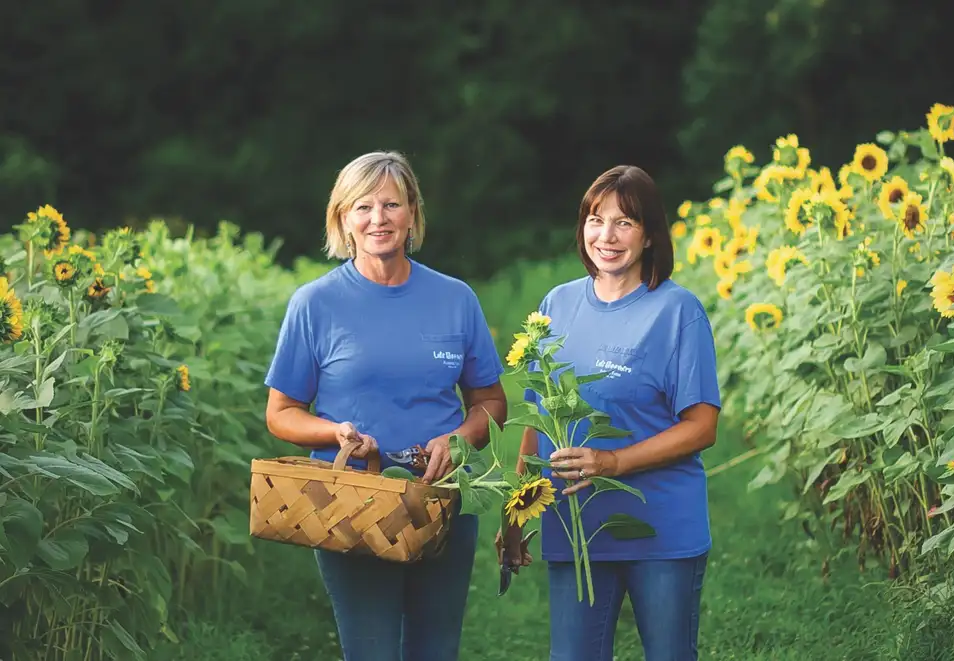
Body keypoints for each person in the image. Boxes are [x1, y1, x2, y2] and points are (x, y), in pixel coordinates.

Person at [264, 150, 507, 661]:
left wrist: (459, 439)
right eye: (363, 207)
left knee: (435, 650)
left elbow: (489, 400)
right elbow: (281, 412)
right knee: (370, 650)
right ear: (343, 219)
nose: (379, 219)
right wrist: (336, 434)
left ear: (412, 213)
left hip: (441, 498)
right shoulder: (315, 304)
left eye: (392, 205)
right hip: (351, 503)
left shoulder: (455, 298)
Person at [497, 165, 721, 661]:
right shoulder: (557, 305)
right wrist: (516, 511)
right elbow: (536, 424)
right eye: (596, 219)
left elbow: (702, 426)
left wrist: (613, 463)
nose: (607, 235)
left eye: (625, 222)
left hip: (659, 526)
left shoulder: (678, 312)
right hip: (576, 526)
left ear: (649, 236)